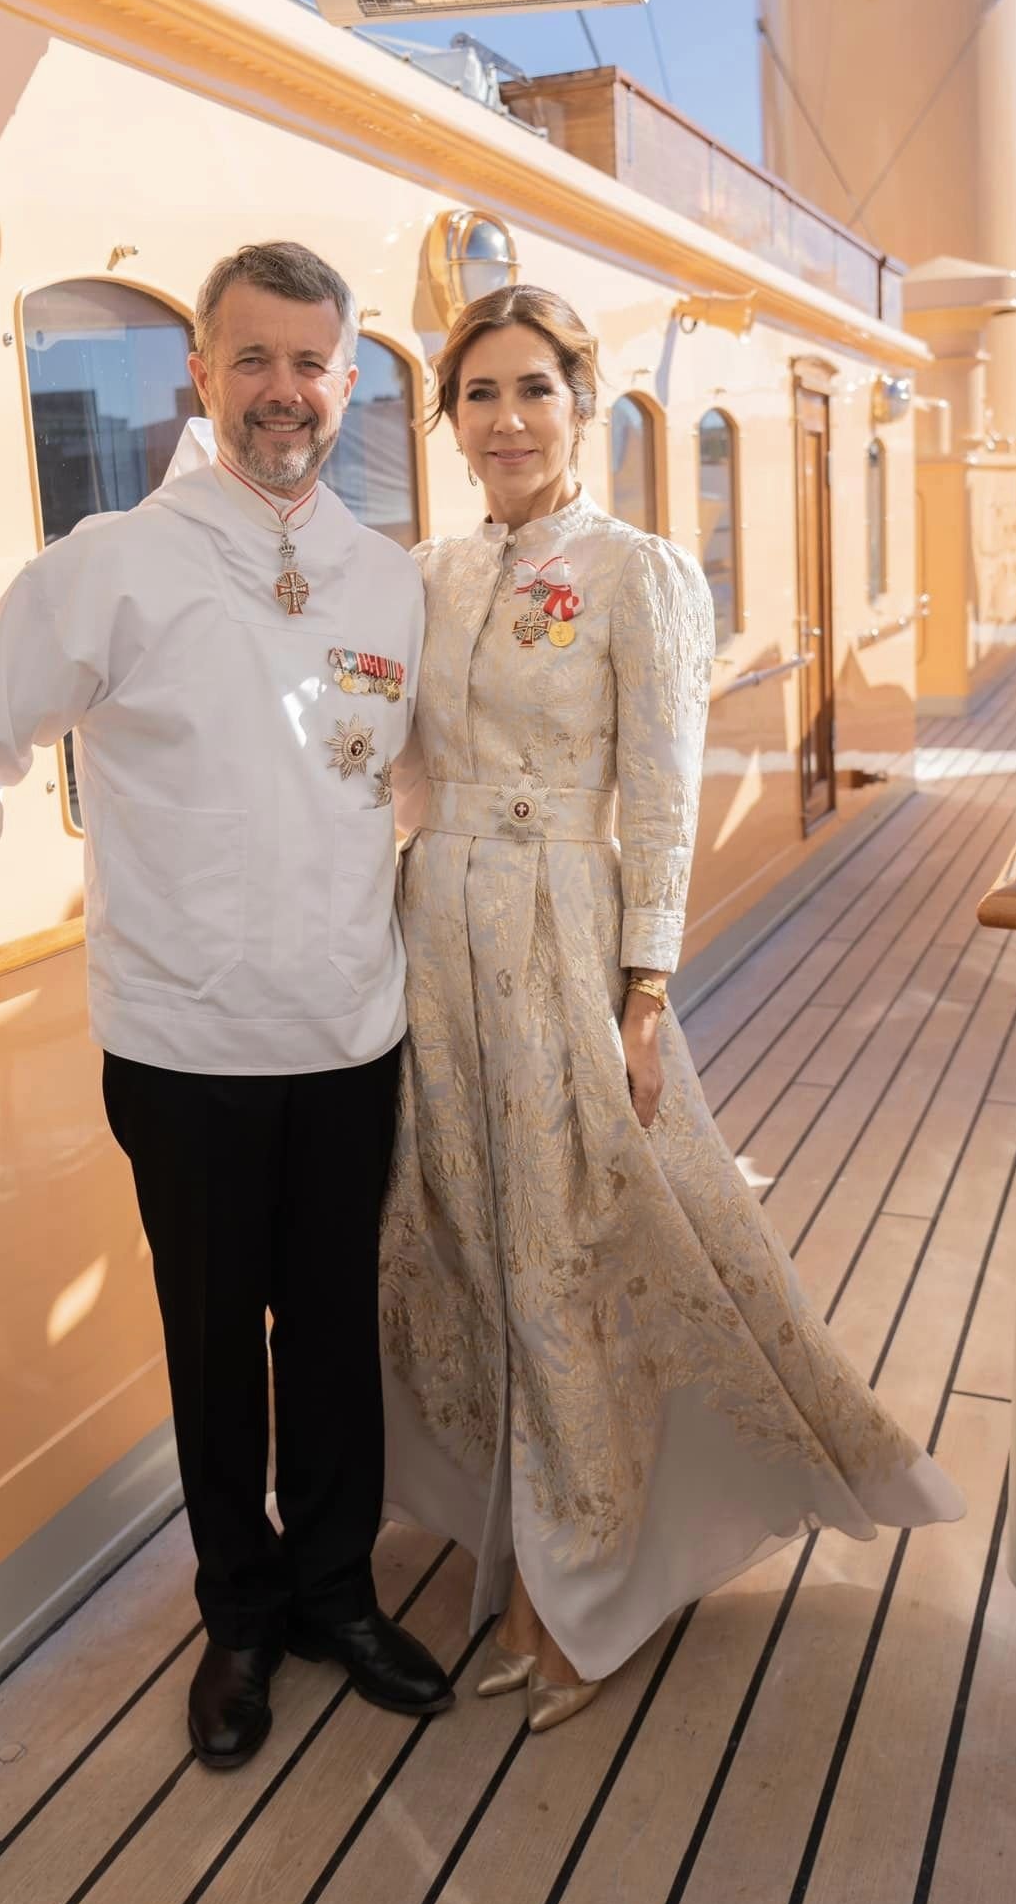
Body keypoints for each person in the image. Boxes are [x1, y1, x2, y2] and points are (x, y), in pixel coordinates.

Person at [0, 241, 453, 1771]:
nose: (282, 390)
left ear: (346, 382)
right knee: (211, 1346)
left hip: (350, 1031)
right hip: (183, 1043)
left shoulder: (387, 577)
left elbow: (408, 780)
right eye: (252, 358)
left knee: (331, 1333)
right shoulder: (108, 565)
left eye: (310, 362)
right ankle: (240, 1616)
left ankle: (336, 1593)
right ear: (201, 374)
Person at [380, 285, 964, 1733]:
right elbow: (382, 753)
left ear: (581, 405)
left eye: (533, 388)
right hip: (429, 938)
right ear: (448, 421)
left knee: (569, 1255)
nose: (506, 419)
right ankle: (516, 1536)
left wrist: (645, 994)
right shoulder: (427, 573)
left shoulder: (638, 572)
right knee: (467, 1242)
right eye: (477, 394)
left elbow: (658, 797)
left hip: (559, 937)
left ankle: (584, 1582)